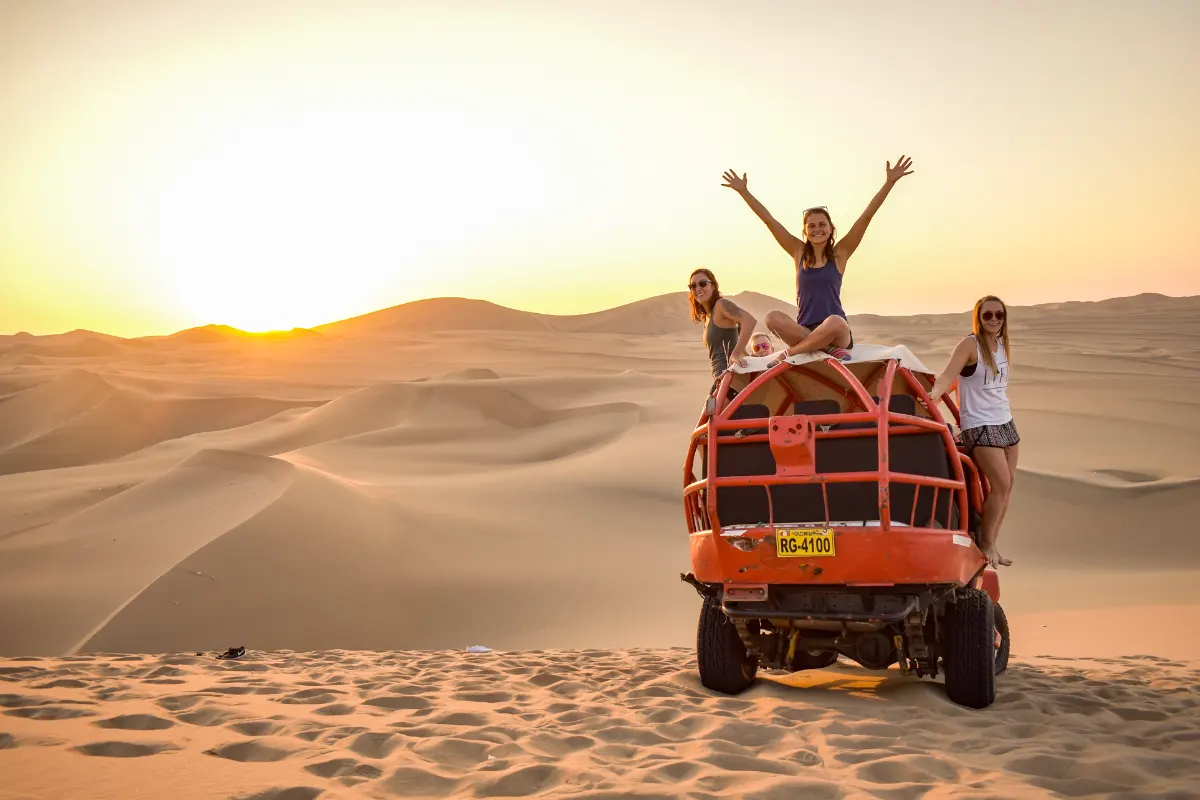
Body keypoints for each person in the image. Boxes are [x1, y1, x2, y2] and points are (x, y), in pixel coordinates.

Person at [721, 156, 914, 363]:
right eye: (811, 226)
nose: (817, 230)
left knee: (835, 322)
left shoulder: (841, 253)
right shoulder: (798, 252)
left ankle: (794, 352)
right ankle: (826, 349)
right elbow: (769, 220)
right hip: (803, 329)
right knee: (771, 317)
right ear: (805, 231)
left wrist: (889, 183)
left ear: (831, 228)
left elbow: (865, 218)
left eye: (822, 224)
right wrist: (744, 192)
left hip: (836, 332)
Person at [928, 296, 1018, 568]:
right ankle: (986, 544)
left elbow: (967, 381)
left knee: (1007, 486)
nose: (993, 320)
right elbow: (948, 375)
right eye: (987, 315)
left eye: (999, 315)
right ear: (978, 317)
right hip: (980, 424)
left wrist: (952, 387)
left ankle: (992, 542)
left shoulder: (1001, 345)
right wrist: (934, 394)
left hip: (1006, 422)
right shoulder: (970, 345)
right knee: (1000, 485)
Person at [687, 268, 757, 395]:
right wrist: (744, 354)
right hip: (721, 379)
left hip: (731, 378)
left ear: (713, 286)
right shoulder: (708, 316)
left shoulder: (721, 305)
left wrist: (736, 353)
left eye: (703, 283)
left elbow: (749, 320)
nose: (698, 288)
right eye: (693, 286)